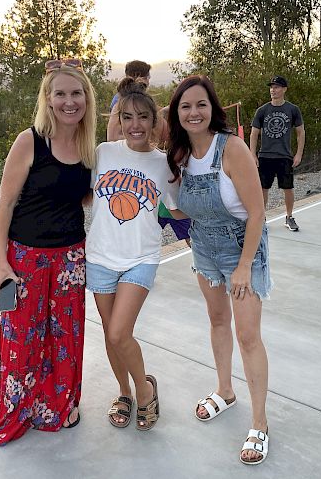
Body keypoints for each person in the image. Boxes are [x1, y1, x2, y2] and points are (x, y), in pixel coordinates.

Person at [0, 58, 96, 446]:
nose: (69, 101)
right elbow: (5, 204)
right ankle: (20, 408)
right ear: (47, 100)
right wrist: (2, 263)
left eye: (76, 93)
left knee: (66, 338)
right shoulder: (29, 141)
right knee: (23, 340)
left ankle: (63, 403)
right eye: (60, 93)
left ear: (87, 98)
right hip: (26, 259)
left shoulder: (87, 147)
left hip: (70, 258)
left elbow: (82, 197)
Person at [166, 75, 272, 465]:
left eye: (200, 105)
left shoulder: (232, 149)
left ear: (212, 108)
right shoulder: (177, 156)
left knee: (247, 336)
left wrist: (244, 265)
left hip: (241, 249)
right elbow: (179, 210)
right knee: (216, 322)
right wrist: (158, 196)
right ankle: (225, 391)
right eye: (185, 106)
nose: (194, 112)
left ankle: (260, 423)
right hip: (204, 250)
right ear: (177, 114)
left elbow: (258, 211)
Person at [86, 77, 182, 431]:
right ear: (119, 121)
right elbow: (77, 190)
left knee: (117, 333)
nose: (135, 125)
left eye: (143, 117)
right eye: (128, 117)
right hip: (100, 256)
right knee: (112, 333)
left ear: (155, 122)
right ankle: (124, 392)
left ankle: (145, 392)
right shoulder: (102, 153)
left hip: (141, 258)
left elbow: (177, 211)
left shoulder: (165, 164)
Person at [107, 61, 190, 246]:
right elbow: (118, 138)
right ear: (142, 76)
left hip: (145, 175)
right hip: (141, 177)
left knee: (141, 234)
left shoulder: (120, 101)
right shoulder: (123, 103)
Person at [249, 75, 305, 231]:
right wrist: (252, 154)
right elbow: (254, 134)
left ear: (284, 89)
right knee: (262, 188)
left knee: (288, 188)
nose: (273, 90)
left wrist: (298, 154)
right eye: (271, 87)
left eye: (276, 87)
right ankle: (261, 217)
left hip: (284, 156)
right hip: (265, 155)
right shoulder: (262, 110)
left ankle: (289, 217)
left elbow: (300, 132)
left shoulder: (293, 110)